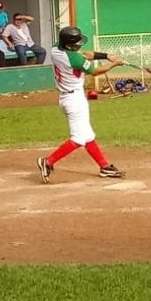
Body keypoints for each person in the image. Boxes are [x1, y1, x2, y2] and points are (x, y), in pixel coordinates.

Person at [36, 26, 125, 183]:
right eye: (76, 43)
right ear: (69, 45)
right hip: (74, 100)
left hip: (68, 98)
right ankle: (48, 162)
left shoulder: (56, 49)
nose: (79, 45)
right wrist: (114, 64)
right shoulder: (74, 59)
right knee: (78, 139)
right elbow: (95, 71)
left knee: (87, 135)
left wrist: (106, 56)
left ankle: (104, 166)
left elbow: (84, 55)